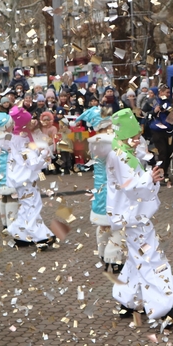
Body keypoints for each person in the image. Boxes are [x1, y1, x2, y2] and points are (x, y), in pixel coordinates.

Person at [105, 108, 173, 324]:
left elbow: (139, 161)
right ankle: (164, 306)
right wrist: (150, 176)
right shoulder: (120, 156)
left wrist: (151, 172)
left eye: (139, 136)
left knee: (136, 259)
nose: (138, 141)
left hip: (134, 216)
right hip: (133, 218)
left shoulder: (123, 150)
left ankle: (126, 299)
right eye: (134, 137)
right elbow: (131, 187)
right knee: (150, 258)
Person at [78, 107, 125, 273]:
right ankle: (114, 257)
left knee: (104, 224)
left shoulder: (97, 142)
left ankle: (104, 254)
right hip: (111, 189)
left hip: (100, 188)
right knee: (117, 225)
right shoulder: (105, 142)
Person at [6, 107, 55, 248]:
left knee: (26, 205)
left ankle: (20, 235)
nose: (32, 122)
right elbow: (31, 163)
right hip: (25, 178)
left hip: (20, 178)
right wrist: (44, 154)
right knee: (33, 205)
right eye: (29, 121)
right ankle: (40, 237)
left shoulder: (15, 135)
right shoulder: (22, 139)